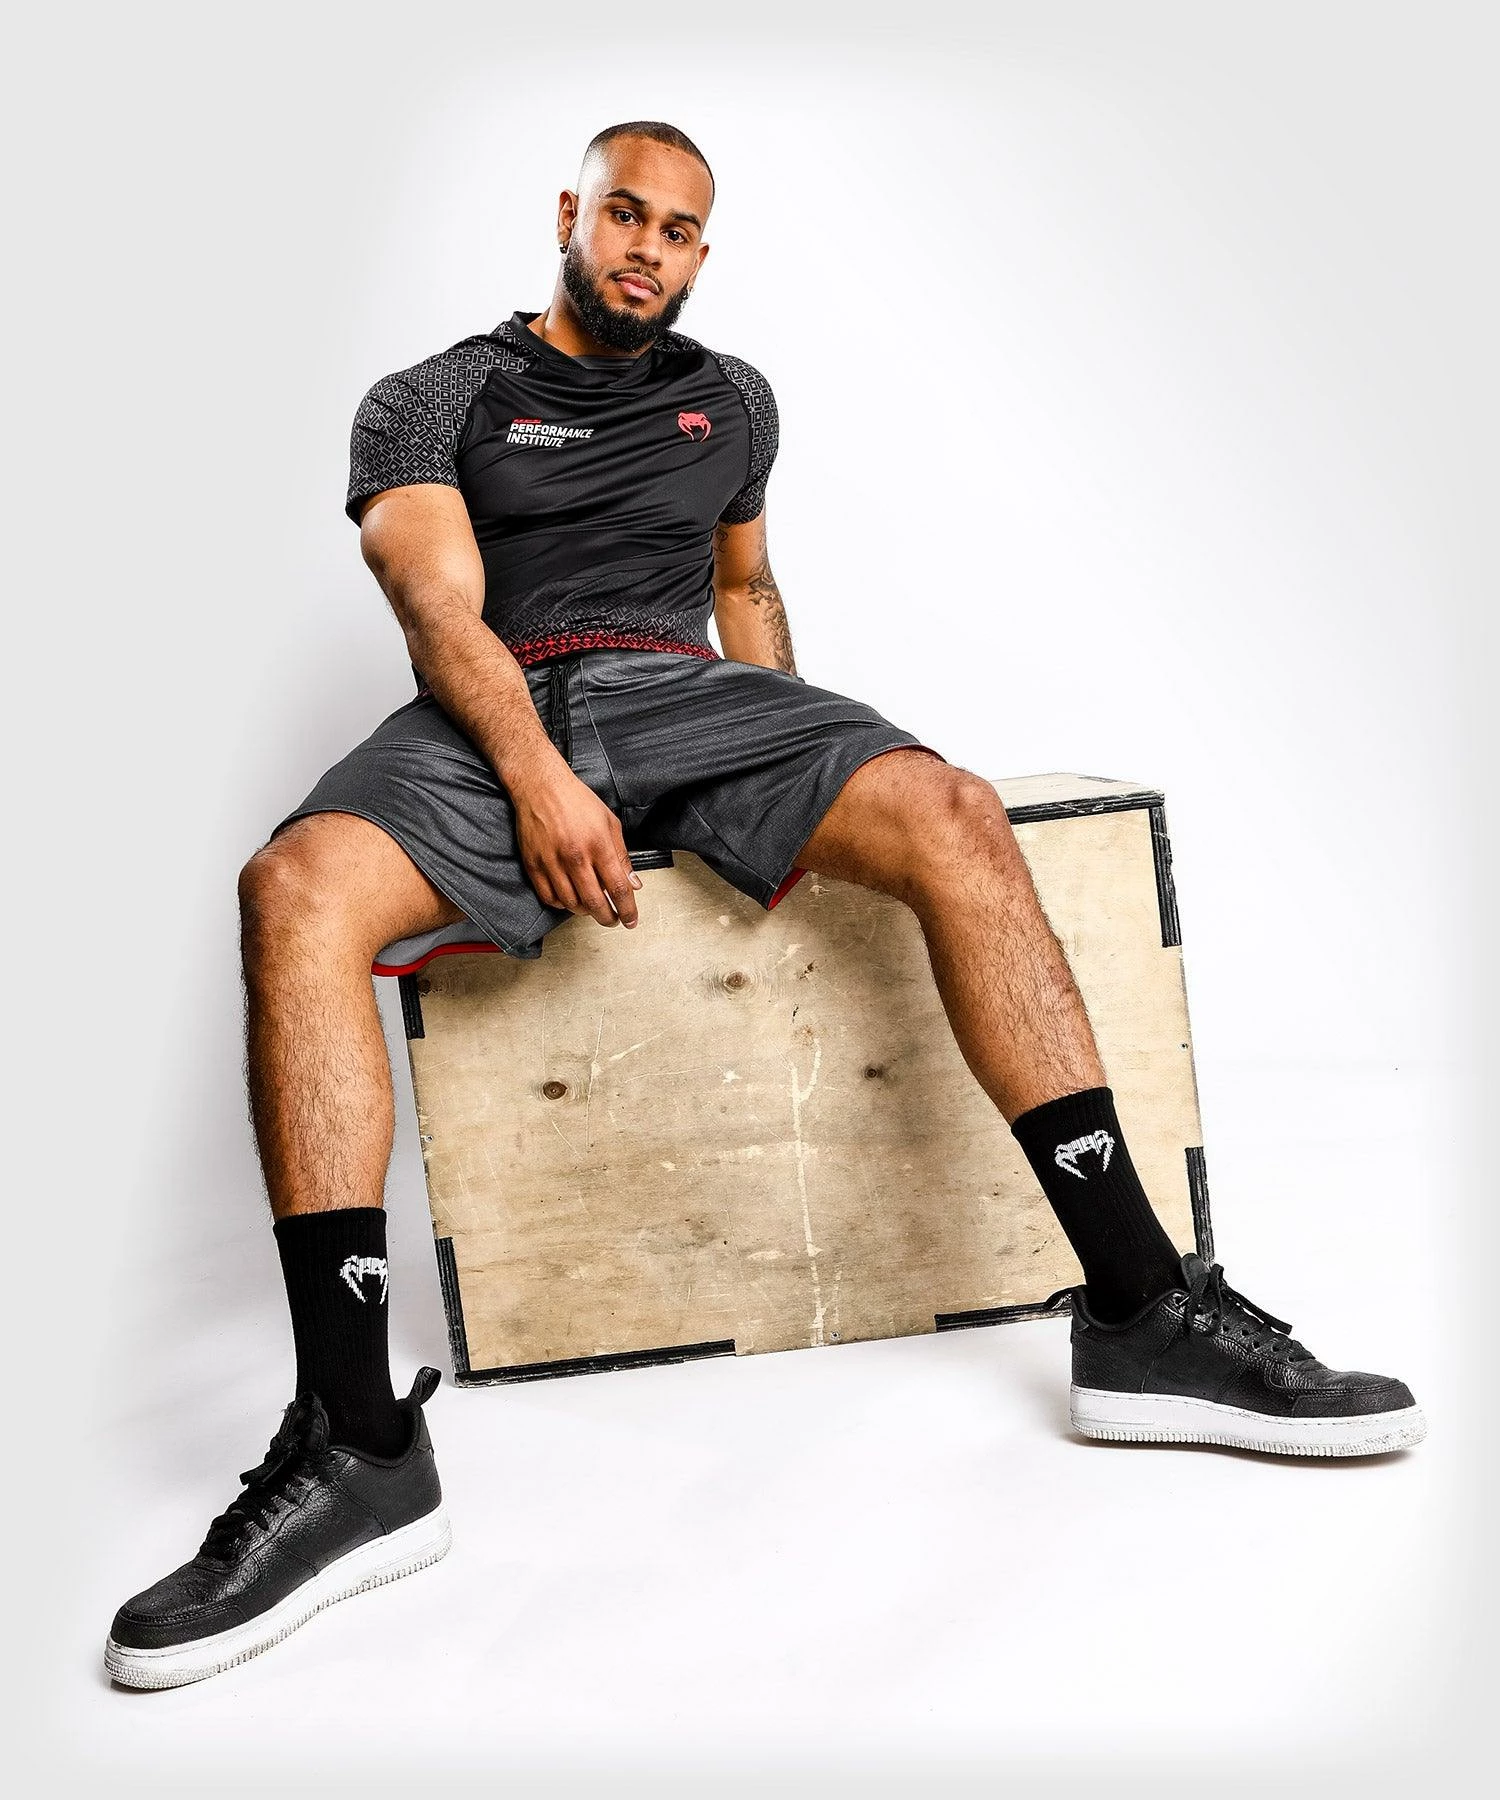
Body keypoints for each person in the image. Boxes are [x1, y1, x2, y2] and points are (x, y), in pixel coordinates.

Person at [105, 121, 1424, 1691]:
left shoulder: (734, 399)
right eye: (623, 216)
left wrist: (793, 769)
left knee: (952, 809)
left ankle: (1143, 1311)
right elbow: (435, 607)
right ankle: (356, 1446)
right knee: (293, 886)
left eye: (678, 231)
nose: (646, 250)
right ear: (570, 214)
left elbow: (745, 590)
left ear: (701, 252)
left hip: (688, 698)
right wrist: (538, 776)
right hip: (500, 705)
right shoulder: (435, 395)